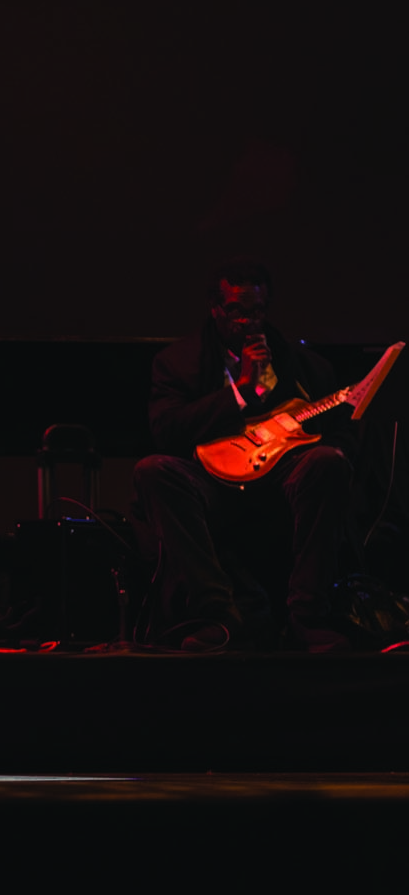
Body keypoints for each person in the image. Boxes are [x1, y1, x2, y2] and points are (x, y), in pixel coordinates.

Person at [132, 261, 355, 651]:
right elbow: (166, 430)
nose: (249, 323)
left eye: (257, 312)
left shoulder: (303, 365)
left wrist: (334, 448)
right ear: (215, 309)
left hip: (281, 478)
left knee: (327, 462)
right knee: (153, 470)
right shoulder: (177, 362)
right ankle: (218, 617)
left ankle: (307, 618)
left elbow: (339, 430)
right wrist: (241, 392)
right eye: (237, 311)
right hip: (213, 480)